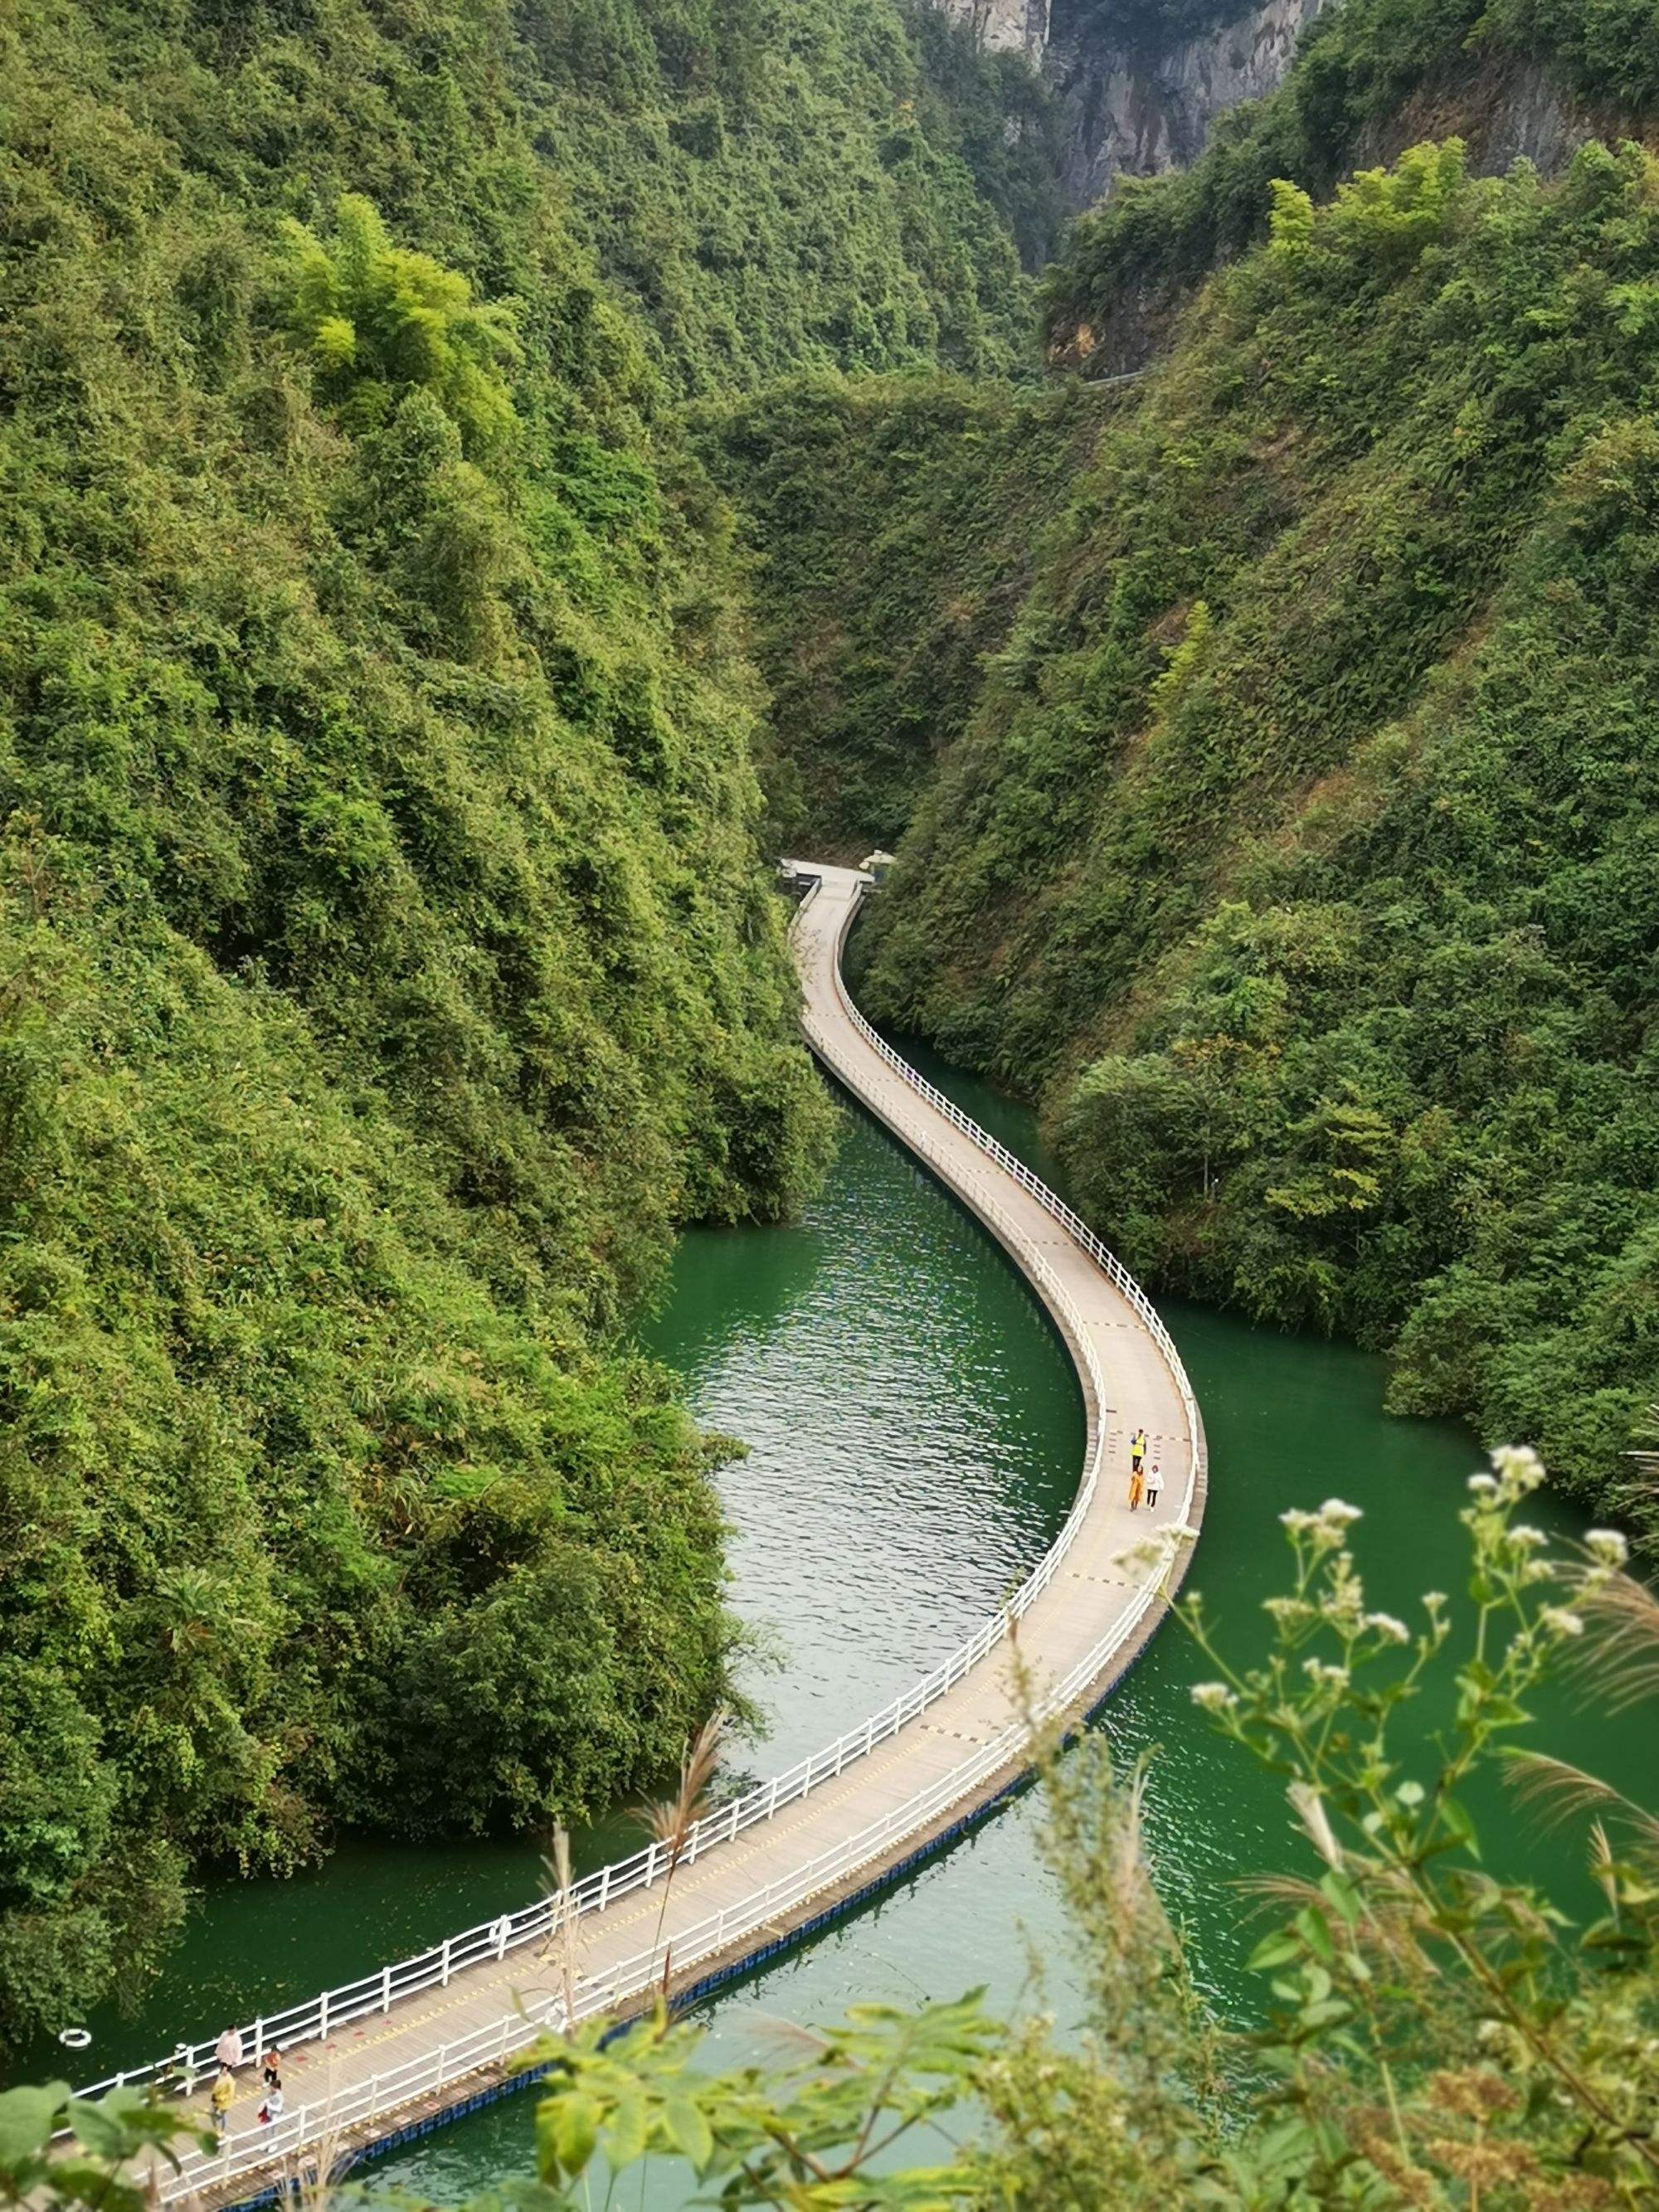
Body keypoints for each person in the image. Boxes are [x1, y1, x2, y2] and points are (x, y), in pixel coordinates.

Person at [210, 2066, 235, 2146]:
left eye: (224, 2070)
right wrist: (214, 2095)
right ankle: (216, 2129)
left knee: (223, 2115)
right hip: (216, 2098)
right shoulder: (220, 2076)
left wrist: (220, 2098)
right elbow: (217, 2086)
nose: (223, 2071)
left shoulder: (230, 2081)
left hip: (224, 2101)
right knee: (213, 2113)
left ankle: (222, 2131)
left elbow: (230, 2093)